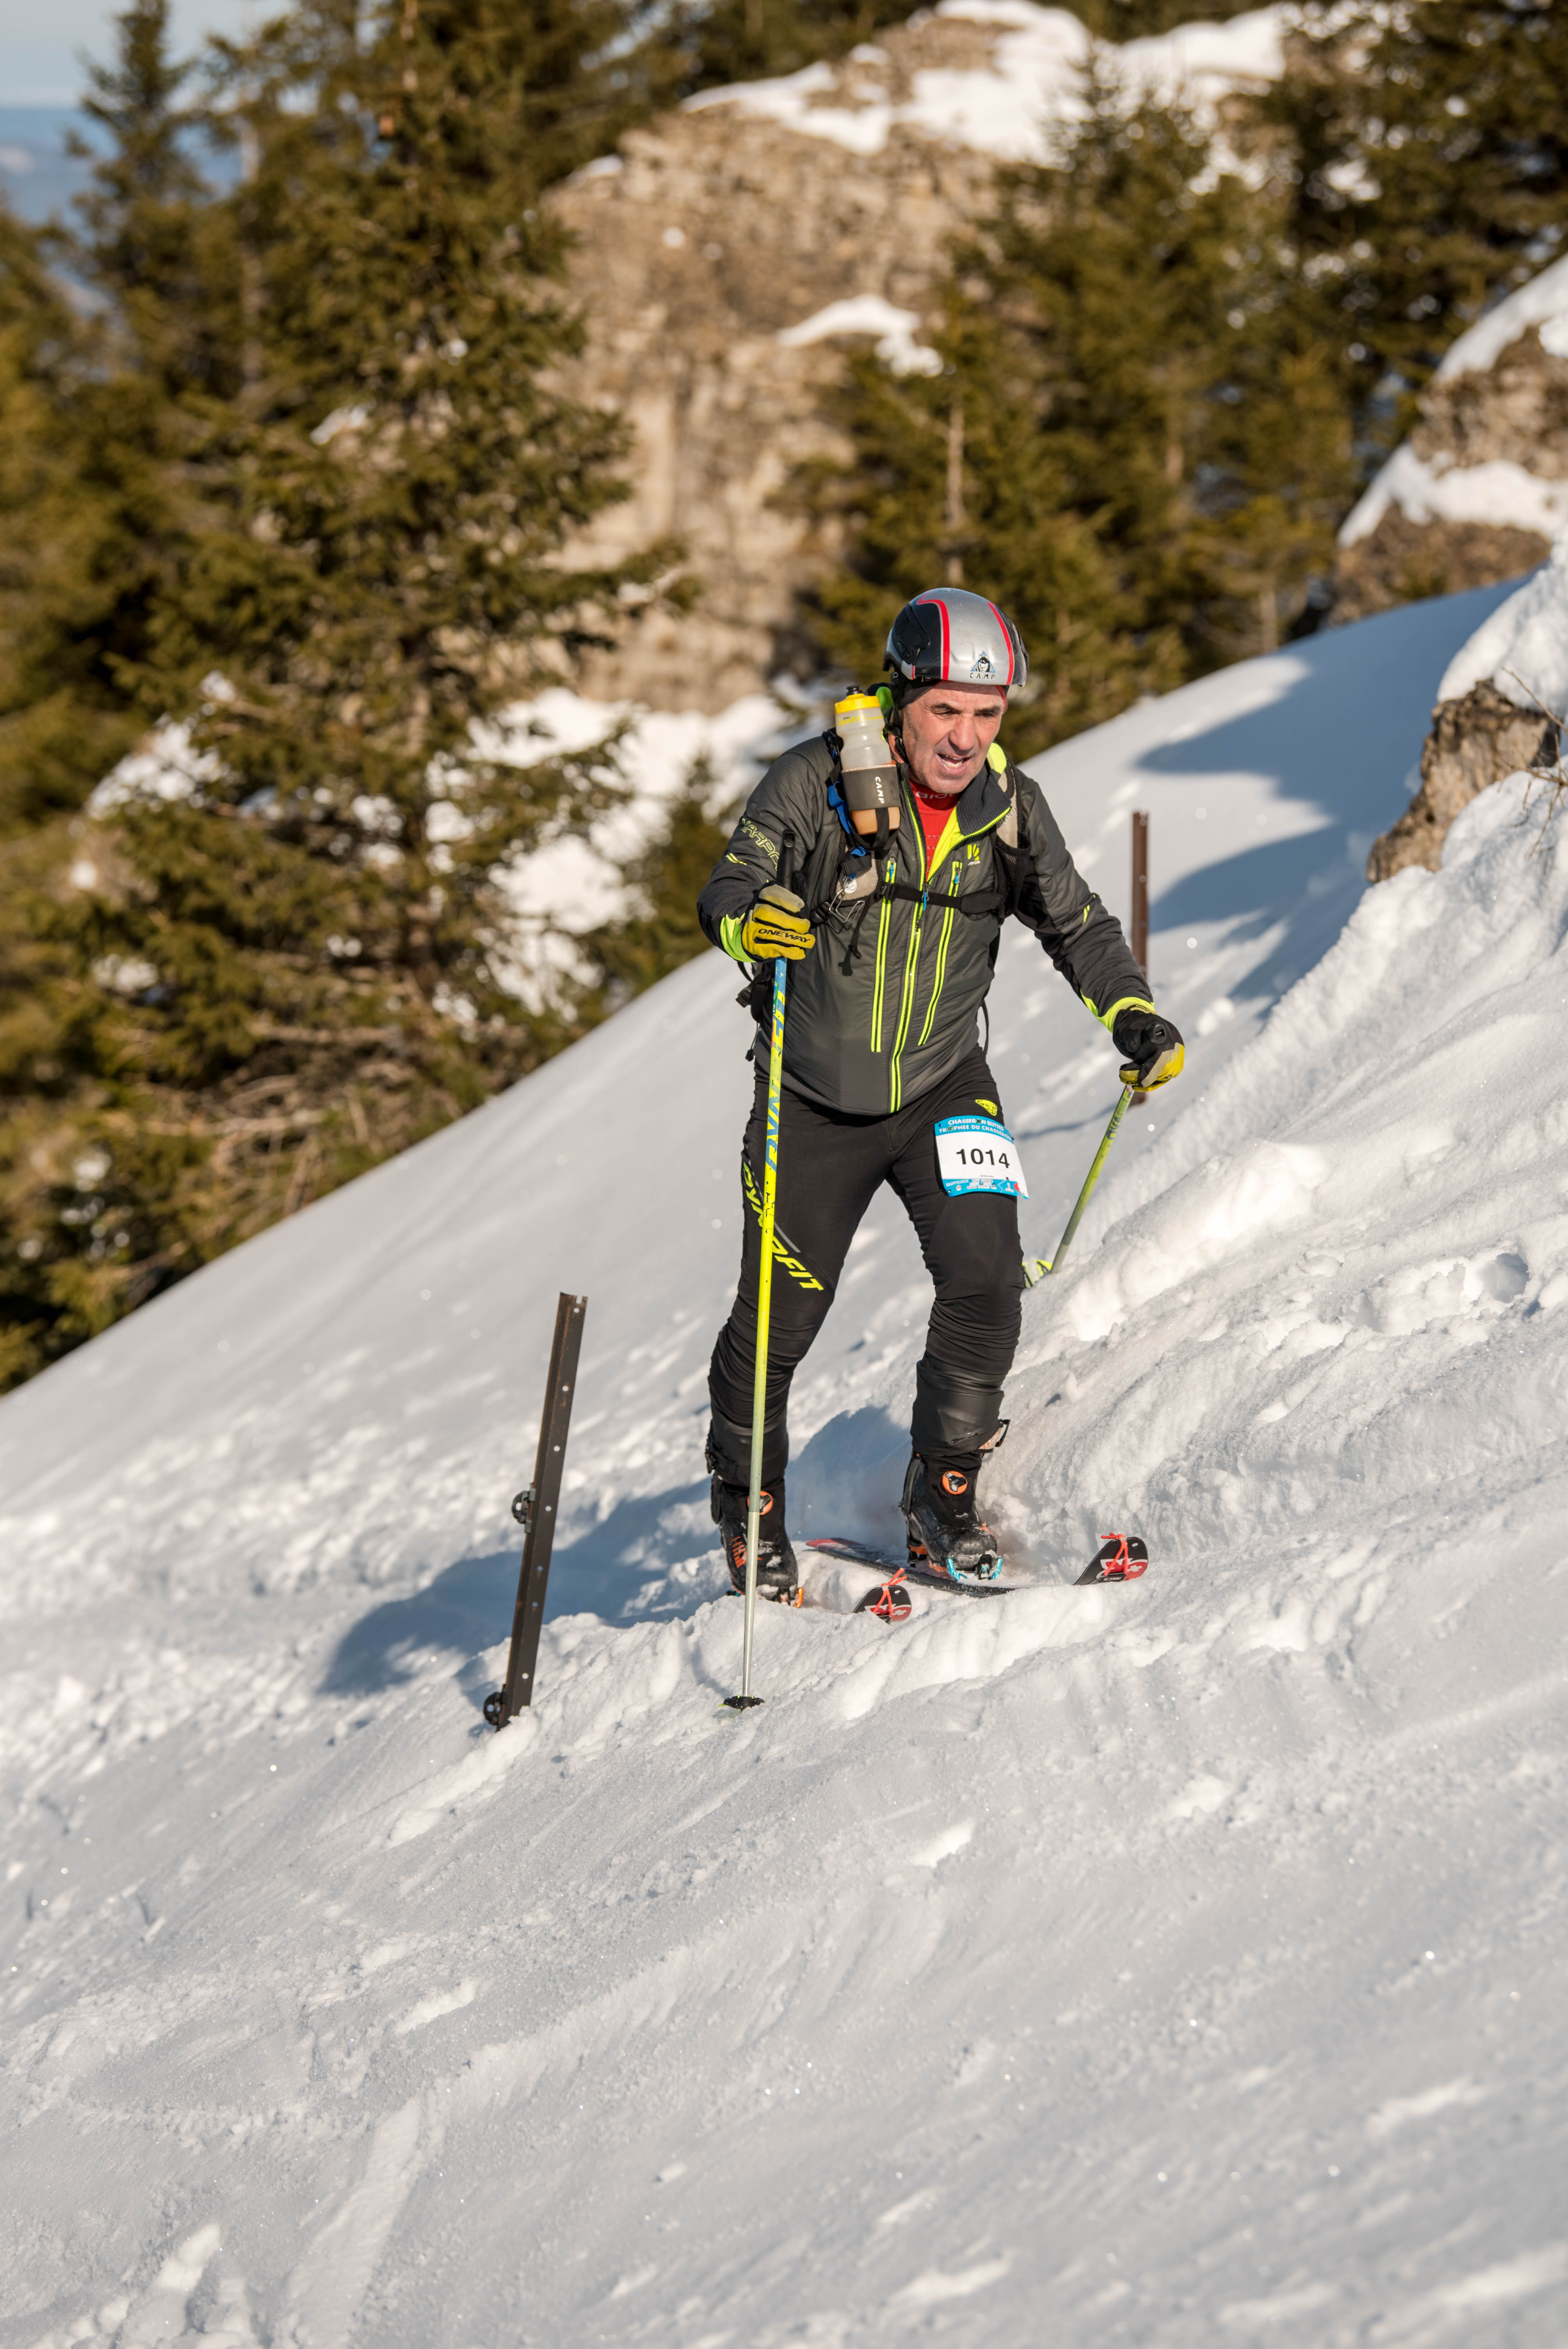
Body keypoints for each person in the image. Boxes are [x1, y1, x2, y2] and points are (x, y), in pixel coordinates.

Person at [696, 588, 1183, 1597]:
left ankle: (943, 1495)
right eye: (946, 710)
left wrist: (1131, 1012)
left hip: (943, 1083)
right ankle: (750, 1508)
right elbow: (730, 887)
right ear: (900, 698)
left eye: (988, 713)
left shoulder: (1011, 810)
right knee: (779, 1323)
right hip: (811, 1101)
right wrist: (753, 923)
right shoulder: (815, 783)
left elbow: (1076, 922)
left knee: (987, 1278)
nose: (965, 737)